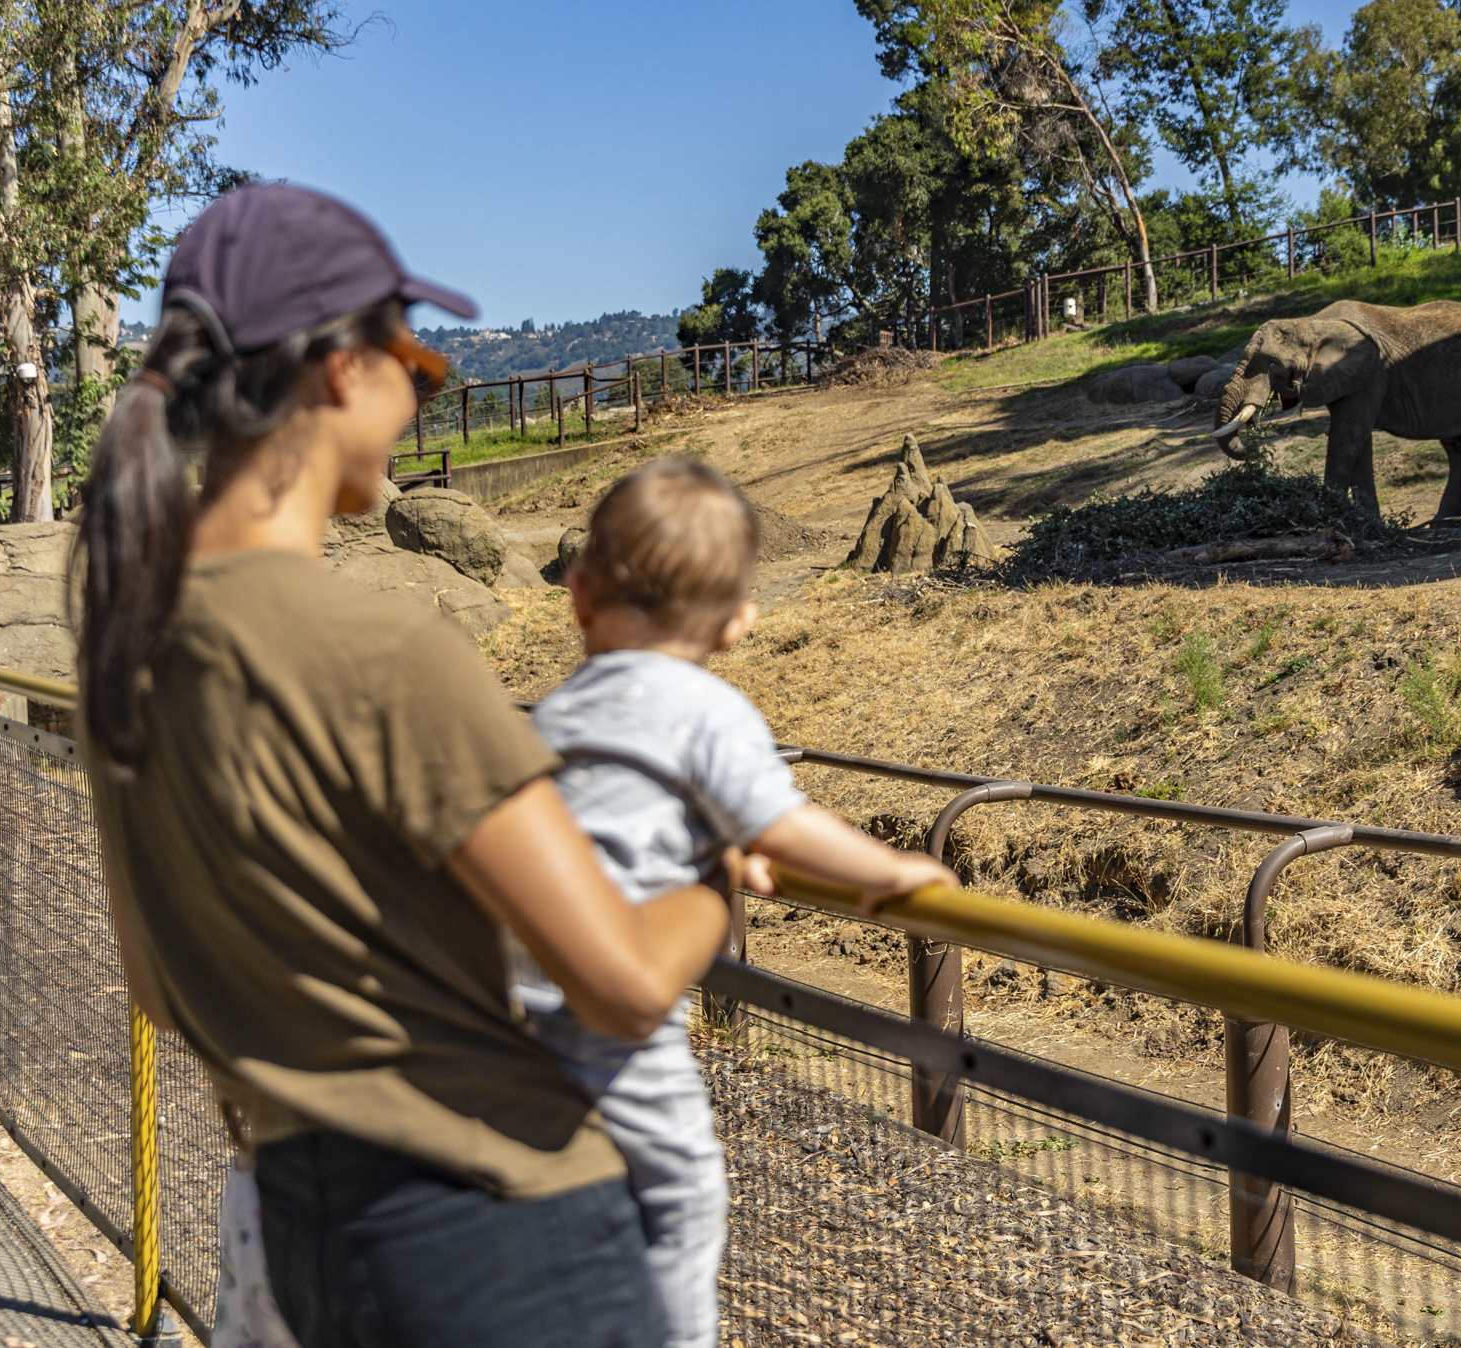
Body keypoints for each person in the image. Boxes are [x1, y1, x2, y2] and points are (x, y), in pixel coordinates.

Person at [75, 183, 731, 1348]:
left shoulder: (126, 652)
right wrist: (718, 879)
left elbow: (157, 991)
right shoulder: (384, 647)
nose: (422, 394)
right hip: (510, 1239)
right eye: (412, 360)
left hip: (309, 1229)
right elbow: (624, 982)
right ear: (339, 370)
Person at [517, 458, 958, 1348]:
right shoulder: (704, 710)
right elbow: (783, 826)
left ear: (579, 597)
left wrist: (711, 845)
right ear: (738, 624)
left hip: (504, 1003)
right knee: (683, 1188)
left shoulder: (551, 715)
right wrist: (893, 872)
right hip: (609, 1025)